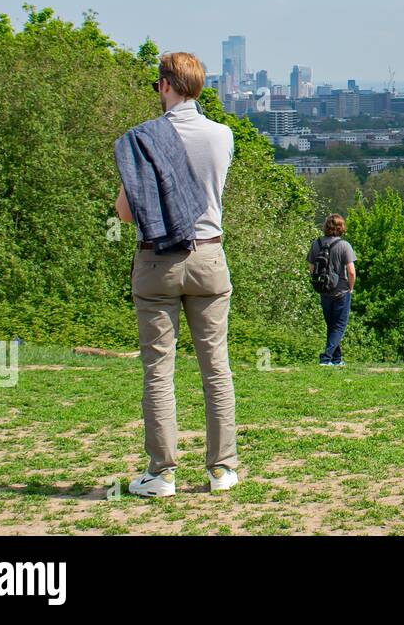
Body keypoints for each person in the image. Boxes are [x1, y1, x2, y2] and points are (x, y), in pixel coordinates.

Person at [114, 52, 238, 497]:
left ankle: (162, 473)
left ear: (166, 85)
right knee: (216, 368)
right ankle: (222, 469)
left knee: (158, 370)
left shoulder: (142, 141)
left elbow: (126, 213)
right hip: (209, 258)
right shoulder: (222, 135)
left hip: (157, 262)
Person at [307, 214, 357, 367]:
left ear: (326, 227)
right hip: (341, 291)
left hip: (324, 291)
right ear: (341, 228)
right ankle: (326, 358)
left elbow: (311, 268)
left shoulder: (317, 244)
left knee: (331, 326)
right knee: (340, 326)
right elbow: (351, 271)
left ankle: (337, 360)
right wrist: (351, 287)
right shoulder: (344, 245)